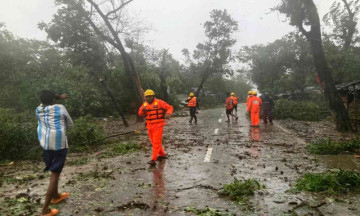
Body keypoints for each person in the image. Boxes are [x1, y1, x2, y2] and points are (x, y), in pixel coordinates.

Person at [36, 90, 73, 216]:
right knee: (55, 174)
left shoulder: (38, 109)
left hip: (46, 145)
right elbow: (69, 124)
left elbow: (45, 100)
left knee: (54, 171)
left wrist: (56, 97)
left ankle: (56, 196)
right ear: (53, 100)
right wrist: (59, 98)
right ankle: (44, 210)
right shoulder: (60, 108)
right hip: (59, 145)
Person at [138, 89, 173, 166]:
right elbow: (140, 113)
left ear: (153, 96)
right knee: (154, 142)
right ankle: (162, 154)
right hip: (149, 126)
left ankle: (153, 159)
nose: (148, 98)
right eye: (147, 97)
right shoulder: (144, 104)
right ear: (145, 98)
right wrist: (142, 111)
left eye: (150, 97)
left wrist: (168, 114)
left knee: (156, 142)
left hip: (158, 125)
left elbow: (170, 107)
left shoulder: (159, 102)